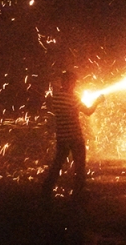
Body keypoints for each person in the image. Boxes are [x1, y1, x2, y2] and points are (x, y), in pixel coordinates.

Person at [42, 70, 105, 201]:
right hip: (75, 137)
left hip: (62, 137)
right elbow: (88, 112)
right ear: (69, 82)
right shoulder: (73, 98)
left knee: (57, 164)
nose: (74, 85)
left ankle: (46, 190)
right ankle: (77, 193)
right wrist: (97, 101)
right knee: (79, 166)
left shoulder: (56, 97)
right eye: (73, 82)